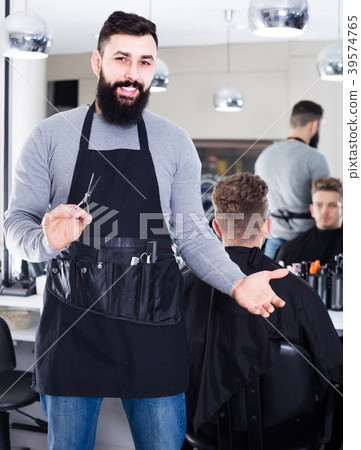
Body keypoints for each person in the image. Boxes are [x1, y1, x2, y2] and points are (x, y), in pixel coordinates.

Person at [3, 11, 288, 450]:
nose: (132, 74)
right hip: (72, 332)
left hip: (154, 333)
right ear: (98, 62)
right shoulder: (50, 136)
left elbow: (192, 235)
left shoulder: (174, 142)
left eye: (145, 62)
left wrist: (236, 283)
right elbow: (15, 226)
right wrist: (45, 241)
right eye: (122, 59)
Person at [183, 172, 342, 435]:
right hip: (287, 431)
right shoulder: (297, 292)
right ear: (267, 227)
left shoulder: (182, 286)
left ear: (217, 227)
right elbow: (334, 370)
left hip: (203, 430)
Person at [255, 100, 332, 258]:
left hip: (272, 245)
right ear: (314, 126)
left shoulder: (264, 157)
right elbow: (328, 205)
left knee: (271, 283)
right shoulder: (315, 158)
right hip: (307, 246)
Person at [276, 177, 343, 266]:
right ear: (312, 210)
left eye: (332, 205)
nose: (324, 211)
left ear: (342, 209)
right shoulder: (290, 250)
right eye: (319, 205)